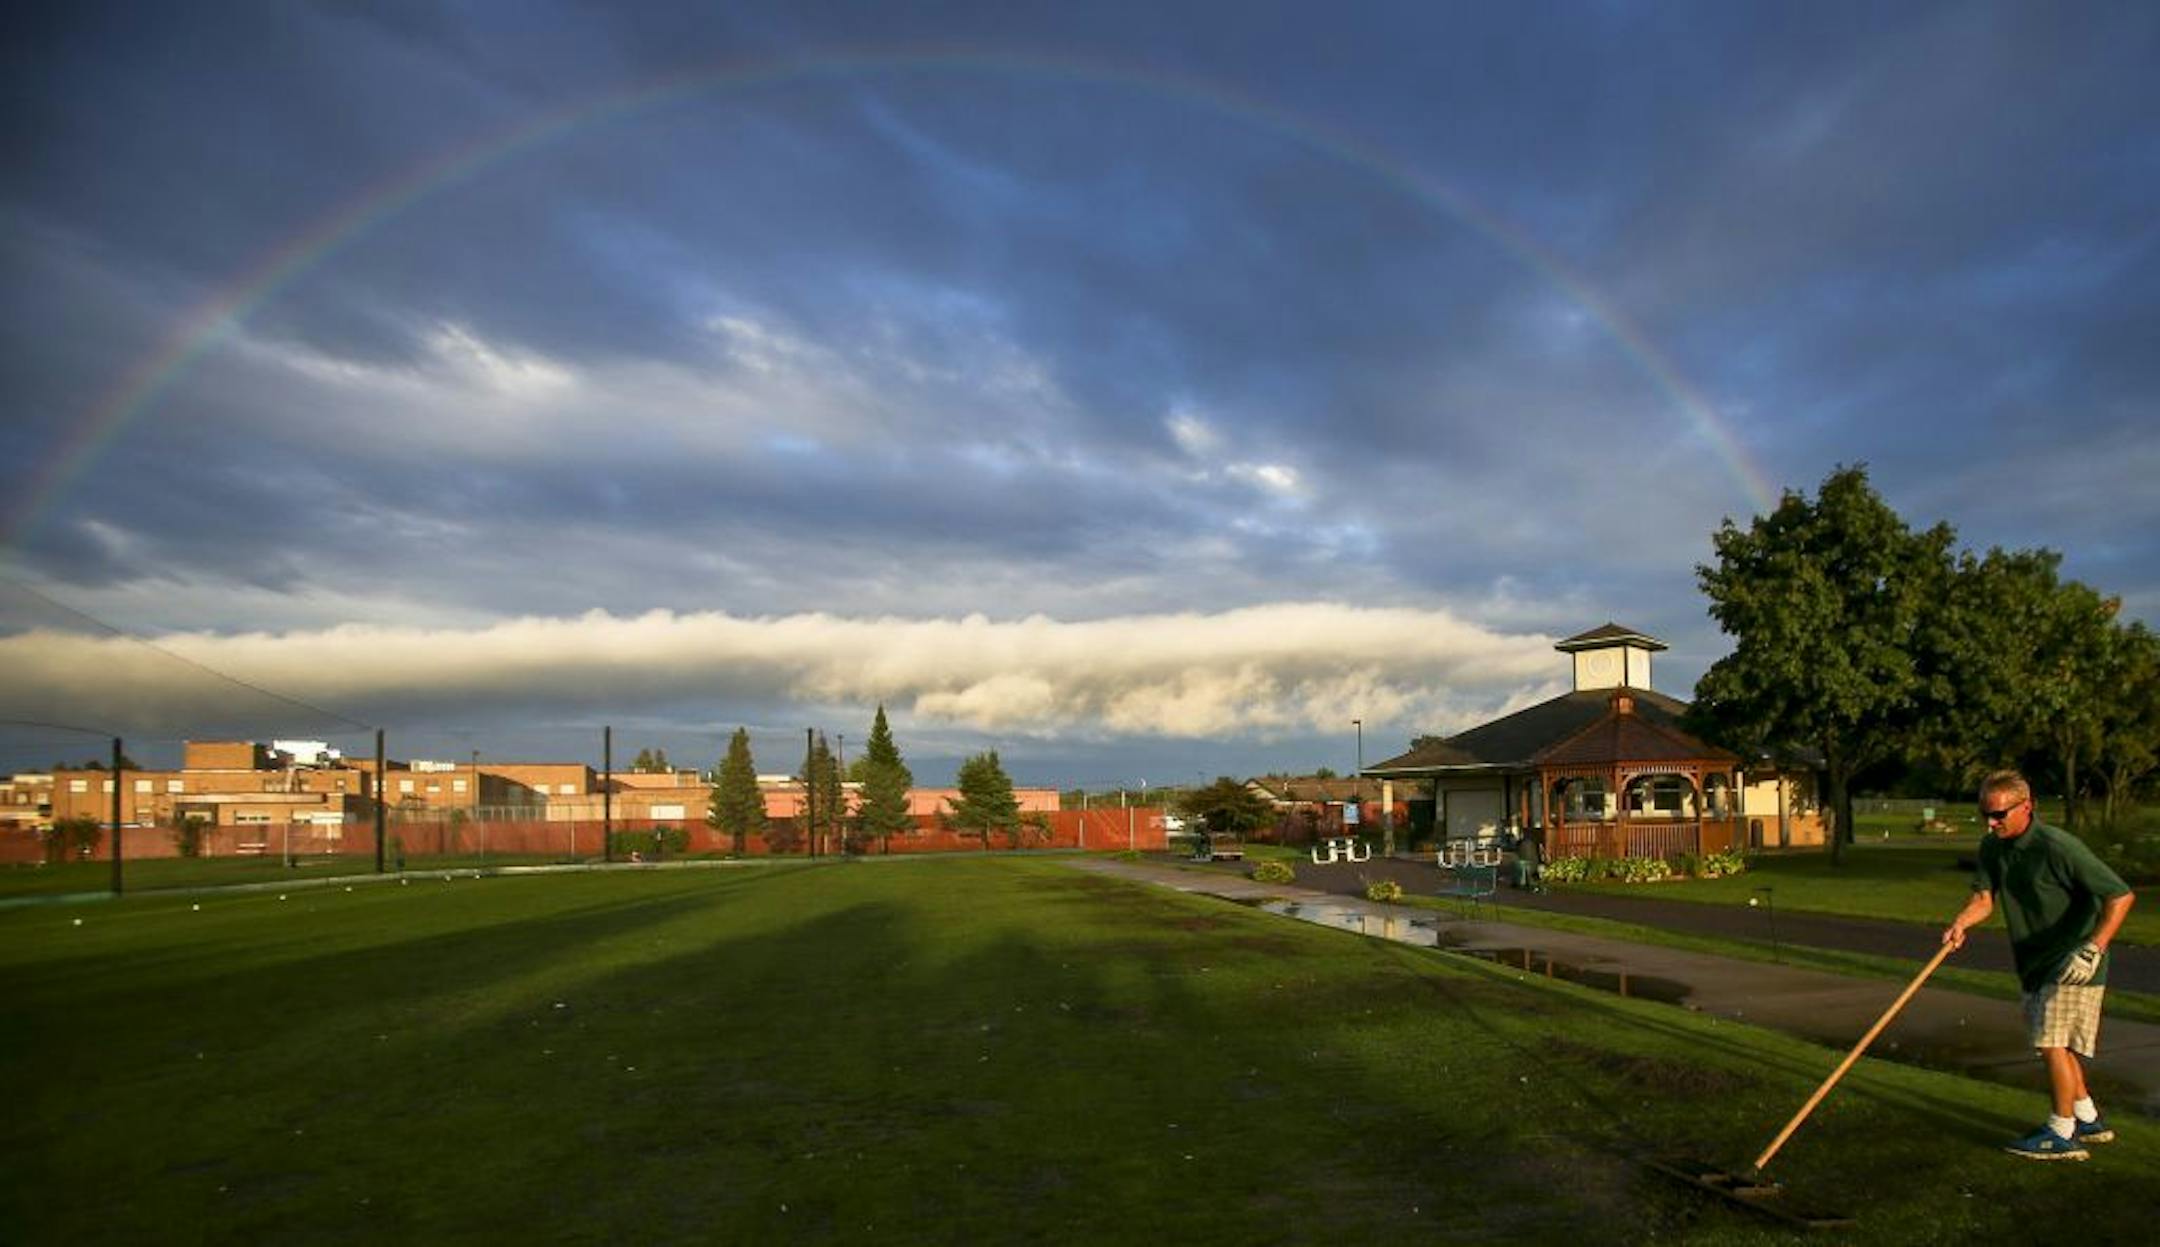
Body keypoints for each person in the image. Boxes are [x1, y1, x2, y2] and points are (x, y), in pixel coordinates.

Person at [1942, 770, 2136, 1161]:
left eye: (1998, 815)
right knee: (2056, 1045)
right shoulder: (1992, 847)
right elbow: (1983, 898)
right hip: (2033, 962)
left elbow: (2121, 895)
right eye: (1985, 814)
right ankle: (2088, 1118)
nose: (1990, 823)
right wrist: (1960, 923)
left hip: (2073, 961)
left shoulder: (2057, 847)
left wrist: (2094, 948)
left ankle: (2060, 1131)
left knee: (2050, 1043)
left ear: (2026, 807)